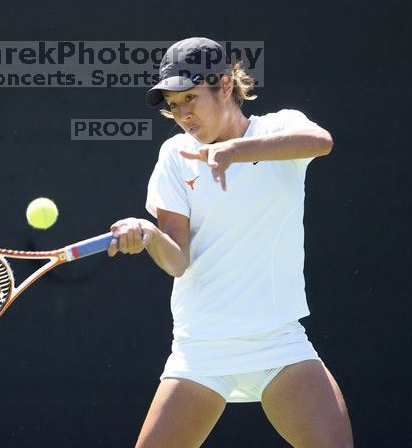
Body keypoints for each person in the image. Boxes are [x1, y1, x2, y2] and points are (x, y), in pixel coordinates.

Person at [107, 38, 353, 447]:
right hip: (200, 351)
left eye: (191, 97)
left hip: (277, 344)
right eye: (173, 103)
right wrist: (149, 235)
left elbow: (321, 141)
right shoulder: (175, 155)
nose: (183, 113)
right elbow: (177, 261)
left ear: (225, 85)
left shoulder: (278, 129)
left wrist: (236, 151)